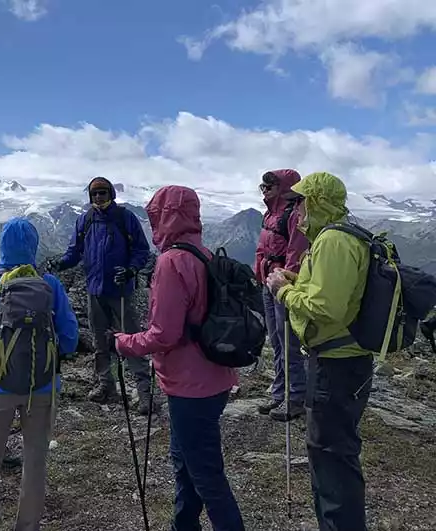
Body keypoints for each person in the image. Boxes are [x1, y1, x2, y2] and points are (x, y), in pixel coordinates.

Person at [113, 185, 245, 531]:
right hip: (215, 375)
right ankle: (183, 525)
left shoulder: (172, 262)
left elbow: (164, 334)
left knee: (205, 473)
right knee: (186, 462)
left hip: (190, 384)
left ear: (165, 216)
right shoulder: (203, 253)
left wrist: (125, 343)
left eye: (155, 216)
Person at [266, 172, 373, 531]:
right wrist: (297, 281)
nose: (296, 210)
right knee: (333, 452)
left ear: (316, 201)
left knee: (330, 454)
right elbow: (334, 293)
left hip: (336, 363)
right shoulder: (339, 236)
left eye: (300, 202)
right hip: (343, 359)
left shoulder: (333, 241)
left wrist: (282, 291)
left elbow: (326, 308)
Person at [0, 217, 79, 531]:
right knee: (35, 461)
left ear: (2, 246)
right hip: (42, 386)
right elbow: (70, 339)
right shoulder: (50, 285)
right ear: (34, 246)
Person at [48, 176, 153, 413]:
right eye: (94, 194)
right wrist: (61, 263)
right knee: (99, 342)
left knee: (132, 340)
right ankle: (106, 385)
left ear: (111, 194)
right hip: (95, 290)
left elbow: (141, 250)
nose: (98, 197)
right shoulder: (85, 220)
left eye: (102, 193)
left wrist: (131, 270)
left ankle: (144, 392)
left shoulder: (125, 218)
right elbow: (75, 252)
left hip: (120, 291)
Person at [254, 169, 309, 421]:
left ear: (284, 188)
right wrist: (259, 275)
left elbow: (296, 253)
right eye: (263, 187)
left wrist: (286, 283)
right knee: (277, 340)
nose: (264, 191)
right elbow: (262, 248)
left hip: (282, 284)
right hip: (268, 282)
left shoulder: (294, 215)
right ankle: (280, 393)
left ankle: (295, 397)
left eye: (269, 187)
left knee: (288, 342)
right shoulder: (270, 214)